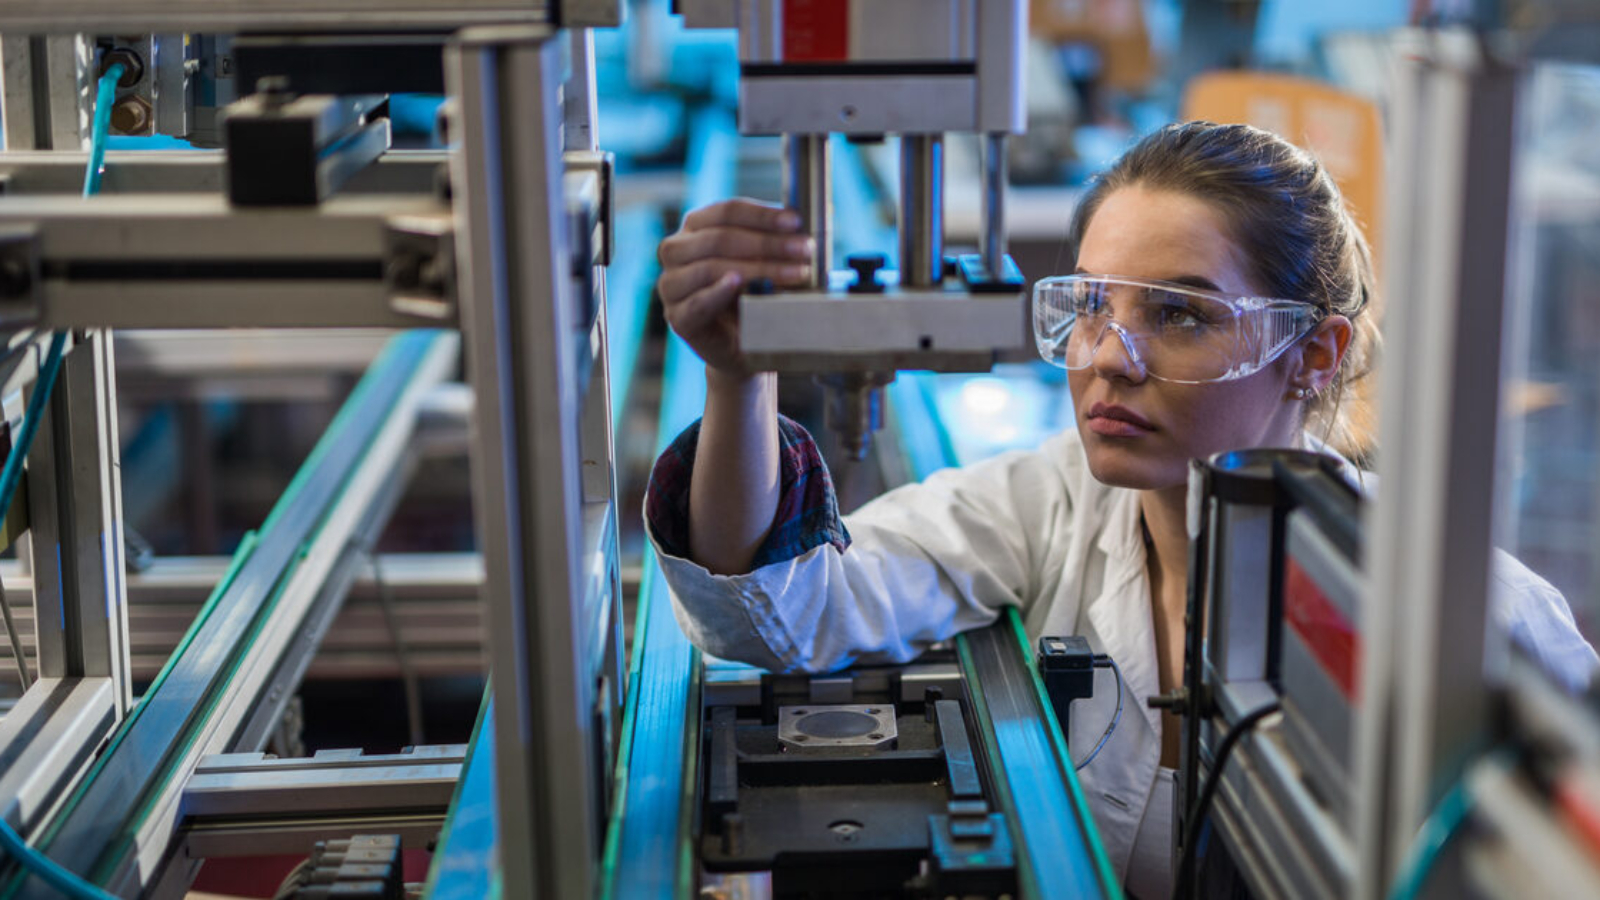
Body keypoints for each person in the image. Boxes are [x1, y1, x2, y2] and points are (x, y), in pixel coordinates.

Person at [643, 121, 1598, 898]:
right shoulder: (1050, 503)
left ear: (1310, 354)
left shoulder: (1483, 624)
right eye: (1093, 306)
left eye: (1178, 315)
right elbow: (781, 610)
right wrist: (740, 377)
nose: (1108, 356)